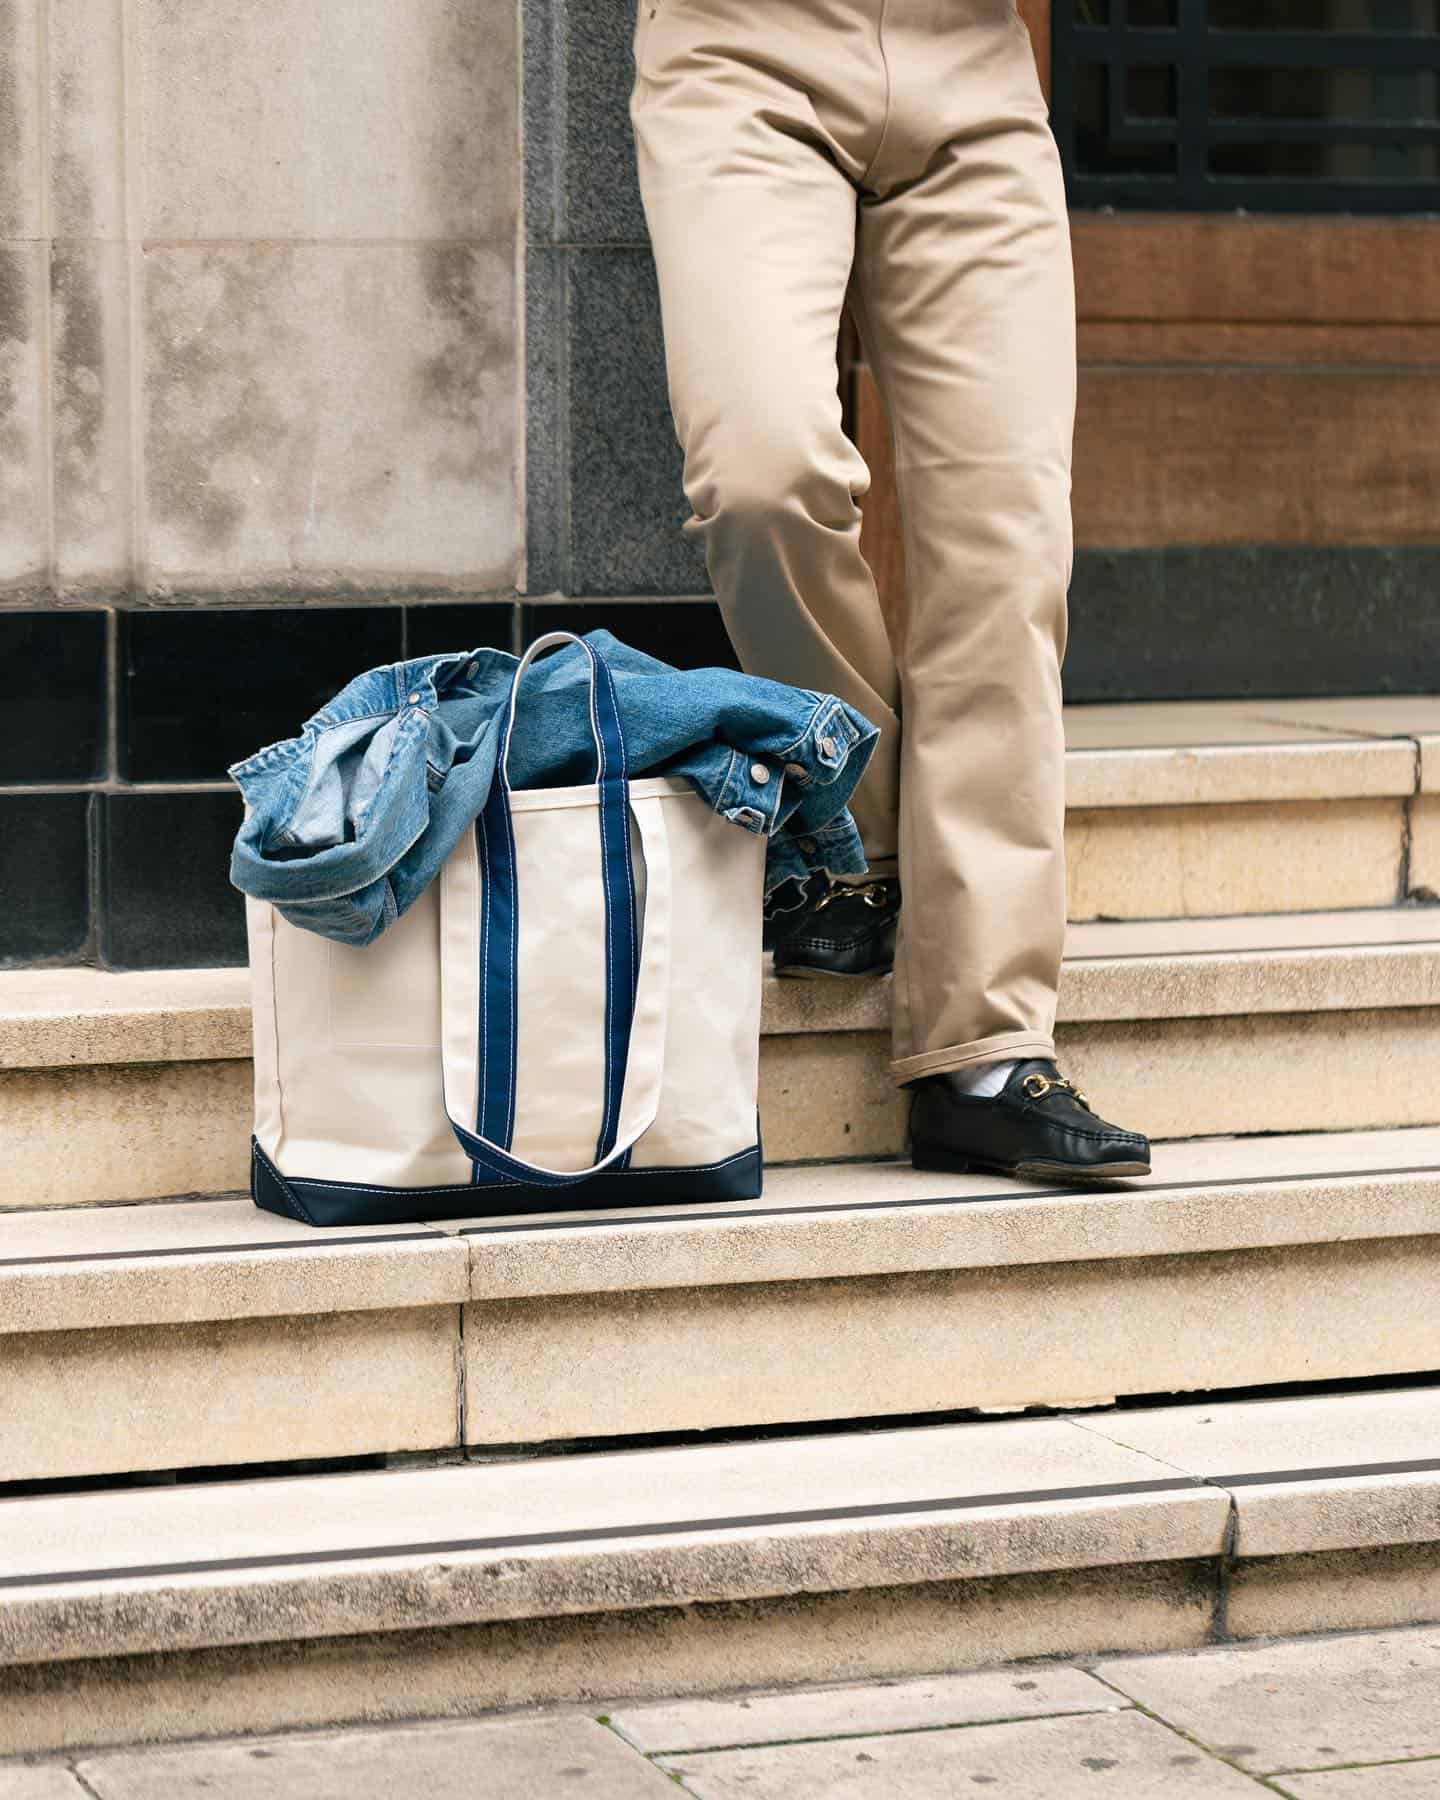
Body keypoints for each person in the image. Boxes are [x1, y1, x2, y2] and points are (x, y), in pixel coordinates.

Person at [628, 0, 1151, 1183]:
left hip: (975, 66)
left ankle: (983, 1055)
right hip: (741, 51)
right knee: (763, 475)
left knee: (1006, 555)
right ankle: (847, 837)